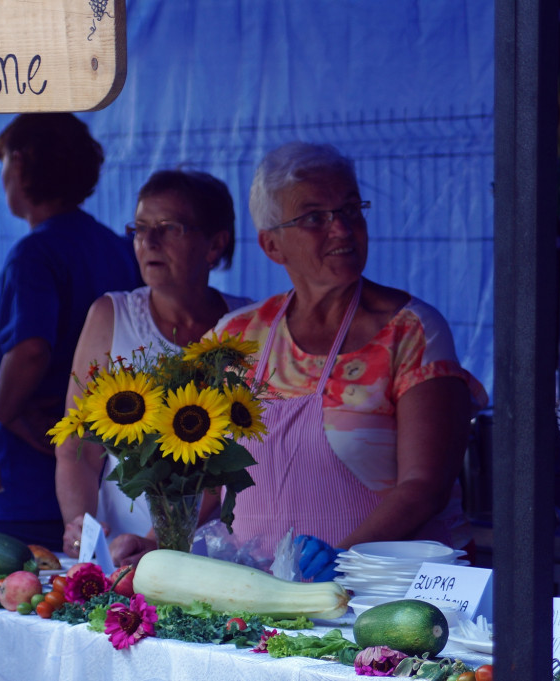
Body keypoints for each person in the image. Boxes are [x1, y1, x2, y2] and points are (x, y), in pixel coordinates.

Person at [193, 141, 487, 578]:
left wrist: (337, 563)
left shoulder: (410, 331)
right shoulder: (235, 338)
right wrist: (160, 540)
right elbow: (209, 486)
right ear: (272, 246)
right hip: (253, 595)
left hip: (382, 596)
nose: (342, 229)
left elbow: (425, 487)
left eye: (351, 209)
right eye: (315, 217)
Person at [55, 169, 251, 558]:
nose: (148, 241)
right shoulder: (111, 315)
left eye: (169, 227)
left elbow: (228, 462)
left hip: (221, 557)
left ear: (215, 244)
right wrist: (82, 529)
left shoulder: (249, 325)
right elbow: (76, 445)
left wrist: (158, 542)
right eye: (140, 228)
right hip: (121, 553)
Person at [0, 113, 141, 550]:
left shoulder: (35, 252)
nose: (3, 175)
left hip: (33, 483)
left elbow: (30, 349)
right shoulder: (119, 248)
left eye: (6, 160)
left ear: (22, 163)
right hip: (102, 476)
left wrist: (6, 411)